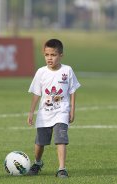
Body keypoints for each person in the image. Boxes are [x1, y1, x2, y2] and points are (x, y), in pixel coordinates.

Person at [27, 39, 80, 178]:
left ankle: (62, 169)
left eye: (53, 55)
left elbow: (73, 91)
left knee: (61, 139)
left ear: (61, 55)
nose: (49, 58)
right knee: (40, 143)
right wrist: (31, 113)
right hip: (44, 114)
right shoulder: (41, 72)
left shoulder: (67, 70)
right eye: (47, 55)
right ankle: (37, 163)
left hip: (61, 112)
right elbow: (36, 93)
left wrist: (72, 110)